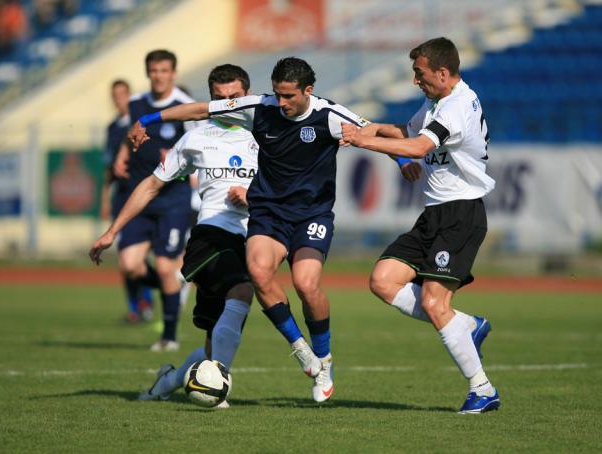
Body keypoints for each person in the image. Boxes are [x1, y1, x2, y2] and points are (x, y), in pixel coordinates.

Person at [128, 57, 419, 402]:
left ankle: (324, 358)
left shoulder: (329, 116)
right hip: (267, 211)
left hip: (312, 215)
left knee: (306, 284)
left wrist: (401, 160)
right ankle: (302, 351)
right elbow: (200, 110)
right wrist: (148, 118)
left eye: (288, 97)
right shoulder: (260, 106)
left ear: (308, 91)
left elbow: (376, 130)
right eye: (277, 94)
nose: (280, 103)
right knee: (258, 272)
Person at [341, 37, 500, 414]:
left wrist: (365, 143)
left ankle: (483, 388)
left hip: (461, 215)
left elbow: (417, 148)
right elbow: (407, 132)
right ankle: (465, 325)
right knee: (383, 280)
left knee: (432, 301)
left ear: (443, 73)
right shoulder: (438, 101)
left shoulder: (457, 106)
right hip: (434, 214)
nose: (415, 80)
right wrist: (370, 127)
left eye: (420, 73)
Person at [90, 64, 257, 407]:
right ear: (210, 100)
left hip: (254, 237)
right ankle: (217, 383)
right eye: (219, 99)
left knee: (214, 341)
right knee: (242, 290)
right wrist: (111, 232)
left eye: (235, 98)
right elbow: (150, 186)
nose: (228, 105)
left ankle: (167, 383)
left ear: (248, 94)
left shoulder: (265, 134)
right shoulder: (196, 138)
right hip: (212, 233)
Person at [111, 49, 197, 352]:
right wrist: (122, 156)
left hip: (173, 197)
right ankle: (171, 288)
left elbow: (198, 146)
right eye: (154, 70)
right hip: (141, 194)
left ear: (173, 73)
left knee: (164, 266)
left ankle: (169, 336)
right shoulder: (137, 104)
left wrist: (177, 162)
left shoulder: (187, 107)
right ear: (148, 73)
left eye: (164, 70)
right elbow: (130, 135)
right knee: (129, 265)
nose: (158, 75)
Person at [100, 79, 154, 324]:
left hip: (144, 193)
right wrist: (105, 198)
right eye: (115, 95)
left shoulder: (142, 122)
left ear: (129, 96)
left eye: (122, 94)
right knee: (127, 259)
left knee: (150, 257)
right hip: (122, 196)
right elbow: (108, 167)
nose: (118, 99)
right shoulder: (112, 127)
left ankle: (153, 295)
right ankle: (137, 306)